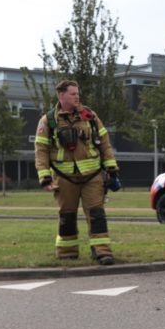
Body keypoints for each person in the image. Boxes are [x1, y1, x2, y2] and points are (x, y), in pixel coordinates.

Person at [34, 80, 120, 265]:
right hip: (64, 178)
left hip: (92, 176)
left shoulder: (90, 116)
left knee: (97, 214)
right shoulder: (48, 121)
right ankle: (67, 252)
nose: (77, 97)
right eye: (73, 94)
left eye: (77, 93)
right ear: (61, 95)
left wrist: (111, 169)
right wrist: (44, 177)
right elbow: (41, 150)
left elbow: (105, 143)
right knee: (67, 216)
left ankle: (102, 252)